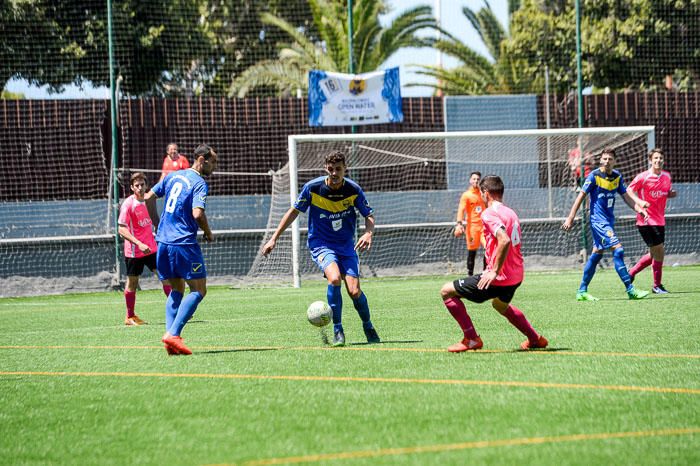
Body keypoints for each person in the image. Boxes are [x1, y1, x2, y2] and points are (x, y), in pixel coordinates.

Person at [262, 150, 379, 347]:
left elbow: (368, 214)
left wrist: (369, 232)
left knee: (354, 290)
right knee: (334, 279)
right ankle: (338, 330)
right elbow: (293, 212)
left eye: (338, 169)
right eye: (331, 169)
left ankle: (368, 325)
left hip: (346, 246)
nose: (334, 173)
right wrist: (274, 238)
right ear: (326, 168)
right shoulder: (313, 188)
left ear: (345, 169)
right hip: (321, 244)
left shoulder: (353, 190)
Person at [440, 175, 548, 352]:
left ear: (485, 193)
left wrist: (494, 271)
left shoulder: (489, 213)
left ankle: (471, 338)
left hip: (499, 277)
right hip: (516, 276)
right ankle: (534, 339)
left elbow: (504, 240)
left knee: (446, 291)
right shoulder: (511, 212)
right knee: (500, 304)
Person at [145, 144, 217, 355]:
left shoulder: (172, 176)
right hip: (183, 243)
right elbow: (197, 214)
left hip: (163, 243)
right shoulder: (199, 183)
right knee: (199, 290)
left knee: (177, 290)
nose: (215, 166)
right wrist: (208, 231)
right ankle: (173, 334)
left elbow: (148, 197)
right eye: (213, 162)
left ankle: (170, 341)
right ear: (202, 160)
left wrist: (157, 222)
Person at [562, 148, 651, 301]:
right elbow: (581, 197)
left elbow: (626, 197)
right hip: (598, 221)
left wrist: (639, 209)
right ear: (601, 160)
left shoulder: (617, 177)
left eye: (610, 159)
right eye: (604, 159)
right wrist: (570, 217)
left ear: (614, 161)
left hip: (608, 221)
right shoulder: (594, 176)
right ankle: (630, 289)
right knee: (618, 250)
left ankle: (582, 291)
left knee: (597, 254)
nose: (607, 162)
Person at [118, 172, 172, 326]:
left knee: (165, 276)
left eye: (142, 185)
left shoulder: (149, 201)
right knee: (133, 283)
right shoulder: (128, 204)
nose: (140, 188)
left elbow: (156, 222)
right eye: (137, 185)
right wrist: (139, 244)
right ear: (131, 187)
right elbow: (122, 230)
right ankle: (130, 316)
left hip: (152, 249)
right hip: (134, 252)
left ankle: (175, 310)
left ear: (146, 186)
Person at [627, 148, 677, 293]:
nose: (658, 160)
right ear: (650, 160)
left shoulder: (667, 176)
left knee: (654, 253)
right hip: (646, 220)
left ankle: (631, 273)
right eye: (655, 158)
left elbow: (663, 193)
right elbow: (629, 190)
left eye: (660, 158)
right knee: (659, 251)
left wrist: (669, 194)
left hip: (660, 220)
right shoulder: (643, 177)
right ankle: (657, 285)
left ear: (663, 160)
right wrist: (640, 201)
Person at [454, 171, 485, 276]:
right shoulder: (466, 195)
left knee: (488, 249)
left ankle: (486, 273)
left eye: (478, 179)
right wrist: (459, 223)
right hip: (472, 228)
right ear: (470, 180)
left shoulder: (484, 194)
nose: (476, 181)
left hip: (484, 228)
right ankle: (470, 275)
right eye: (474, 179)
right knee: (472, 252)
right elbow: (461, 210)